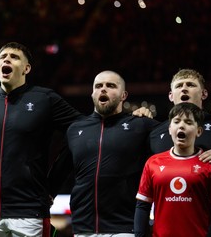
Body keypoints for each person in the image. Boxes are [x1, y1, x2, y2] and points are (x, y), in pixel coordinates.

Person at [0, 42, 84, 237]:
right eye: (2, 57)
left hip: (30, 211)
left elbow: (83, 131)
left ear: (26, 68)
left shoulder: (44, 98)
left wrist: (53, 182)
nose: (6, 59)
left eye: (14, 57)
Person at [49, 70, 160, 236]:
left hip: (125, 228)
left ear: (124, 95)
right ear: (92, 93)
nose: (103, 89)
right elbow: (58, 174)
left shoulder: (140, 126)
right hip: (84, 228)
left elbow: (177, 138)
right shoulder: (75, 129)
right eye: (98, 86)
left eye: (111, 86)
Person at [134, 102, 211, 237]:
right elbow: (142, 206)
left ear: (199, 131)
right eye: (176, 121)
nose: (181, 125)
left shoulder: (209, 165)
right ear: (170, 129)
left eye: (188, 122)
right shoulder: (153, 163)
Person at [149, 69, 211, 159]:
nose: (184, 89)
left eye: (190, 85)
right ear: (171, 96)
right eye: (179, 86)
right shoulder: (155, 133)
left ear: (204, 94)